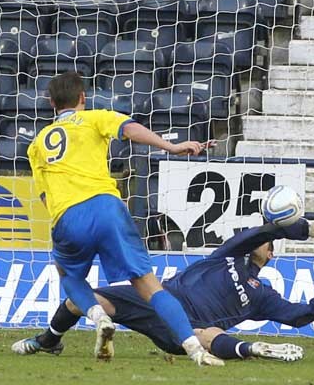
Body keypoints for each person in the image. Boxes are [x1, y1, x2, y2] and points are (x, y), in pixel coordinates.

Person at [27, 72, 221, 365]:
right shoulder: (94, 118)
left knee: (69, 276)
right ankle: (194, 348)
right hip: (107, 206)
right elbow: (130, 130)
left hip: (67, 215)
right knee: (147, 283)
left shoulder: (38, 143)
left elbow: (44, 196)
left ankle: (97, 315)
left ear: (51, 102)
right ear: (83, 97)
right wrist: (171, 147)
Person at [12, 215, 314, 362]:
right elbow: (261, 232)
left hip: (184, 329)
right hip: (158, 299)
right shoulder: (230, 255)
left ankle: (252, 348)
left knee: (207, 335)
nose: (261, 240)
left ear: (271, 255)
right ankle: (47, 340)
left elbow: (296, 315)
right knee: (87, 298)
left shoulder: (263, 293)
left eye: (268, 242)